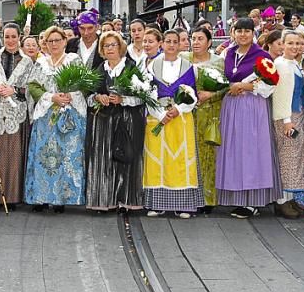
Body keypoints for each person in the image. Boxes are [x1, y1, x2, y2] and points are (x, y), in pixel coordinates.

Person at [215, 18, 280, 219]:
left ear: (253, 33)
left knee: (251, 150)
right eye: (239, 31)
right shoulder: (228, 53)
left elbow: (270, 85)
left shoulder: (261, 55)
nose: (243, 34)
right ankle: (236, 195)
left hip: (252, 106)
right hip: (231, 105)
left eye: (247, 31)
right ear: (233, 32)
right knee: (233, 150)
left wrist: (245, 86)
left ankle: (252, 200)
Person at [23, 26, 88, 212]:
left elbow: (84, 83)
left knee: (65, 157)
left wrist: (69, 95)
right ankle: (41, 197)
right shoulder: (41, 63)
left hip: (68, 114)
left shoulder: (74, 60)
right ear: (45, 44)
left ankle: (61, 198)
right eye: (50, 41)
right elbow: (33, 86)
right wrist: (51, 97)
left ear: (64, 41)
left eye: (57, 40)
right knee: (44, 157)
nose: (54, 44)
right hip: (46, 116)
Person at [143, 28, 202, 218]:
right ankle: (157, 203)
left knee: (180, 158)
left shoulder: (188, 66)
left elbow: (192, 94)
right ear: (162, 43)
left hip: (180, 117)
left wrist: (179, 108)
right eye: (167, 41)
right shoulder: (152, 65)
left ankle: (183, 204)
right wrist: (160, 114)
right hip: (158, 116)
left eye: (174, 42)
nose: (170, 45)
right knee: (157, 160)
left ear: (180, 44)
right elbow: (147, 92)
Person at [85, 30, 145, 212]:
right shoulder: (98, 70)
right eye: (106, 45)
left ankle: (127, 202)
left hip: (128, 120)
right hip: (103, 121)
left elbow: (143, 97)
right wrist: (98, 97)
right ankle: (104, 201)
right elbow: (87, 97)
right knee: (103, 160)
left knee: (128, 159)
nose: (110, 48)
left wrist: (123, 99)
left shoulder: (132, 67)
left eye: (113, 45)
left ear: (121, 47)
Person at [0, 23, 33, 207]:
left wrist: (15, 90)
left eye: (14, 36)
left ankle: (12, 196)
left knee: (13, 155)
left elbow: (32, 86)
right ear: (2, 37)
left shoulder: (27, 61)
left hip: (16, 113)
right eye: (7, 37)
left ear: (19, 37)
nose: (10, 40)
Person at [272, 30, 304, 216]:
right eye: (291, 43)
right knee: (287, 156)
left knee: (295, 157)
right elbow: (280, 94)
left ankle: (290, 197)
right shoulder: (281, 64)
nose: (295, 47)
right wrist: (287, 121)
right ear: (283, 44)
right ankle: (282, 200)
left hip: (296, 113)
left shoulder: (293, 64)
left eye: (298, 43)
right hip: (286, 117)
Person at [186, 25, 224, 211]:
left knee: (208, 156)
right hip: (186, 113)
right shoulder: (183, 59)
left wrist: (211, 95)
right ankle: (188, 196)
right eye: (193, 38)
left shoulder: (219, 62)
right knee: (189, 154)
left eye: (200, 39)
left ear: (209, 42)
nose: (196, 42)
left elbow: (226, 87)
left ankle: (208, 198)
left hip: (210, 113)